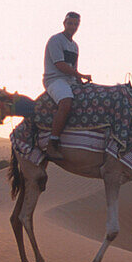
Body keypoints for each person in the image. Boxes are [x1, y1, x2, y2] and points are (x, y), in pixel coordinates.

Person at [41, 11, 91, 160]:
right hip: (55, 79)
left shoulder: (74, 46)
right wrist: (80, 75)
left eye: (76, 24)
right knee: (66, 101)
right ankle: (53, 142)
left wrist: (81, 82)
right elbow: (60, 65)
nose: (73, 26)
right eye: (70, 23)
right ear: (64, 23)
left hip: (70, 80)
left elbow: (73, 69)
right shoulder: (55, 40)